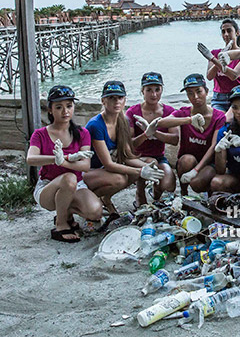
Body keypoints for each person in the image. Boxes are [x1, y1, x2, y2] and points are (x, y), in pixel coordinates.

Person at [27, 85, 103, 242]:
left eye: (69, 106)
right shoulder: (40, 134)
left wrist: (65, 160)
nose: (65, 111)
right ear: (50, 110)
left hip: (76, 185)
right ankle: (61, 225)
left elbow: (85, 166)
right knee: (68, 178)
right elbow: (31, 159)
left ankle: (66, 211)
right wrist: (56, 159)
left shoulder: (82, 133)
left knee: (95, 212)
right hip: (48, 187)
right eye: (59, 107)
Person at [84, 81, 165, 221]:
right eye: (111, 98)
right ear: (103, 101)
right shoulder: (95, 125)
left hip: (106, 168)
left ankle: (106, 198)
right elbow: (109, 164)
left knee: (149, 163)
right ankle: (89, 200)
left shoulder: (123, 120)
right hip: (90, 171)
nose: (116, 102)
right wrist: (140, 171)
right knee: (120, 179)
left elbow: (126, 155)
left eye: (120, 98)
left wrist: (146, 166)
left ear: (124, 100)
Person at [157, 74, 226, 195]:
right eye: (190, 93)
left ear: (207, 91)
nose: (195, 97)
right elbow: (161, 122)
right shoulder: (184, 112)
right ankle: (183, 193)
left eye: (199, 91)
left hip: (209, 162)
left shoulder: (218, 116)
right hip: (189, 159)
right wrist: (188, 120)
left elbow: (214, 146)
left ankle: (210, 193)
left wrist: (196, 170)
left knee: (197, 184)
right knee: (186, 160)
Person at [125, 72, 177, 205]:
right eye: (149, 90)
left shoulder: (169, 111)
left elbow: (175, 139)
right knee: (151, 162)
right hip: (137, 157)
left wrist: (155, 133)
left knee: (169, 184)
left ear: (162, 90)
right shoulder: (132, 112)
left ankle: (156, 193)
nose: (154, 94)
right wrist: (145, 135)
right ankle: (140, 192)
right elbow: (129, 144)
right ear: (142, 91)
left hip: (159, 157)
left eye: (157, 90)